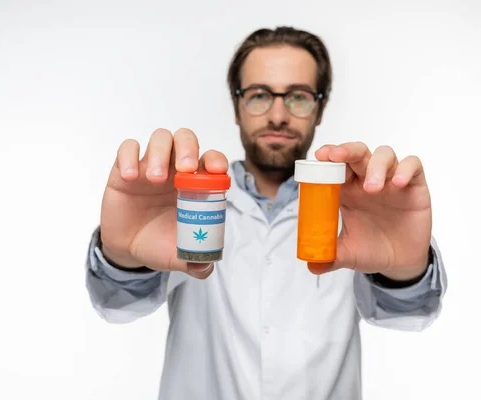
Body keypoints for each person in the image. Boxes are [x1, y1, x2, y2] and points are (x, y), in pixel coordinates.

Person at [85, 26, 447, 400]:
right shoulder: (189, 205)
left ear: (320, 108)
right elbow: (118, 303)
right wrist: (122, 259)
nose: (278, 115)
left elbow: (407, 315)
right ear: (237, 106)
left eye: (298, 97)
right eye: (259, 95)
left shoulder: (357, 211)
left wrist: (404, 273)